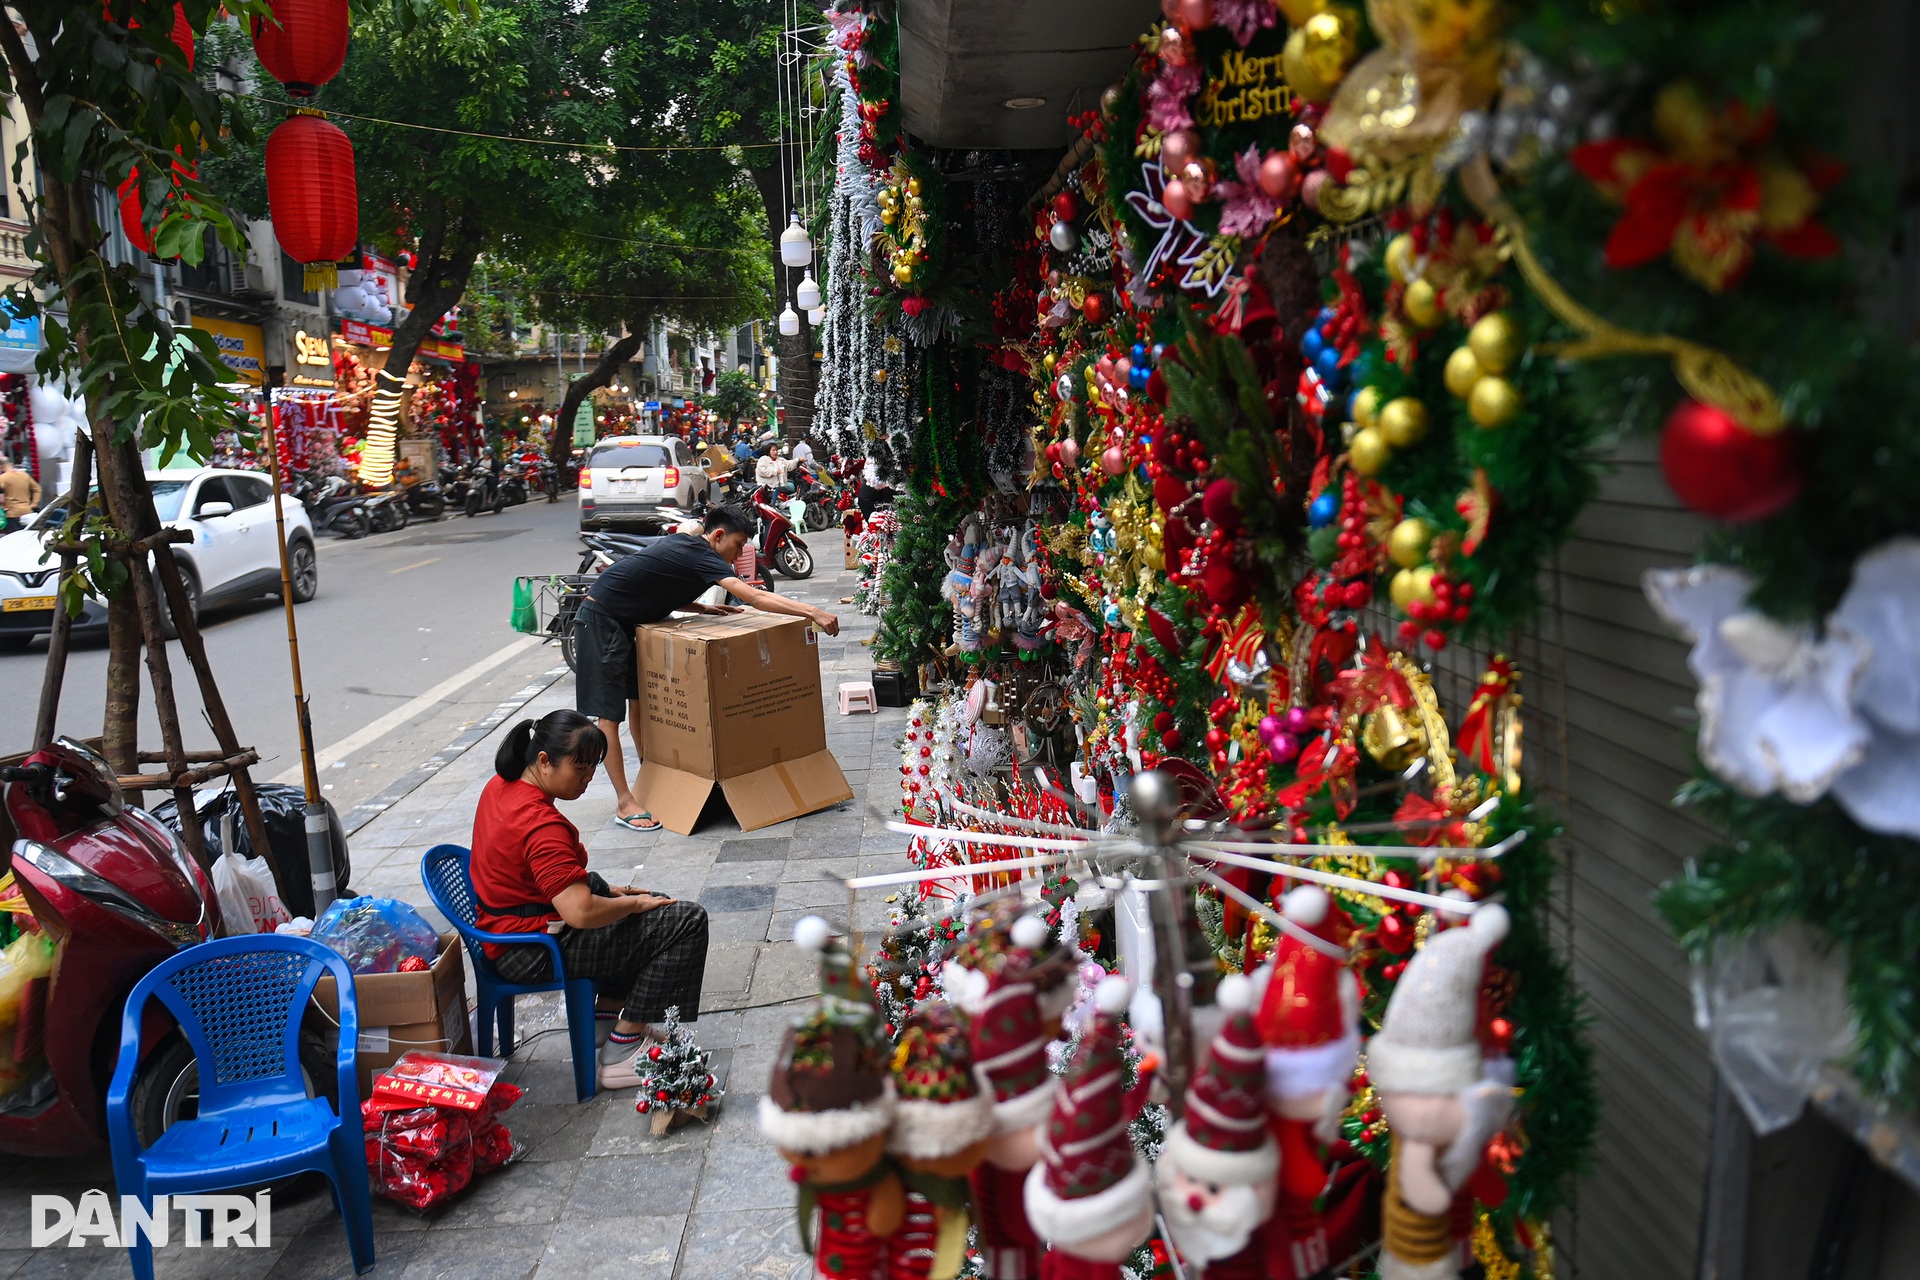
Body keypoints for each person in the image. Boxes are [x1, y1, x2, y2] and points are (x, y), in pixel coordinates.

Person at [469, 709, 712, 1090]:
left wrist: (610, 892)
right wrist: (629, 905)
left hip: (506, 933)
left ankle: (608, 1015)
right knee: (685, 921)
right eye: (579, 770)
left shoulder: (501, 786)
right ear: (544, 761)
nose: (586, 780)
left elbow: (546, 881)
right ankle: (623, 1049)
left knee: (645, 904)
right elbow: (580, 912)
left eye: (591, 770)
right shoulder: (541, 825)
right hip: (531, 951)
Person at [574, 503, 840, 830]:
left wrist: (699, 607)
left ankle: (653, 776)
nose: (741, 551)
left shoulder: (688, 548)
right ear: (718, 535)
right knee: (608, 718)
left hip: (628, 620)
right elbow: (753, 598)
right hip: (602, 621)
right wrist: (812, 612)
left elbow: (653, 581)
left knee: (640, 701)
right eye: (739, 544)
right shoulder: (699, 552)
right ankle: (625, 802)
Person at [0, 454, 38, 532]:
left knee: (15, 539)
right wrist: (34, 504)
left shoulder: (3, 478)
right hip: (27, 511)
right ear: (11, 464)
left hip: (12, 513)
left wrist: (2, 506)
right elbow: (37, 489)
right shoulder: (25, 475)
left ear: (1, 467)